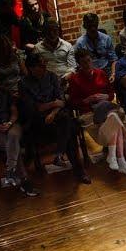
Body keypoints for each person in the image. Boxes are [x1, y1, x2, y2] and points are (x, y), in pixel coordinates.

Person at [19, 52, 91, 184]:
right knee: (70, 126)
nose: (44, 67)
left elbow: (62, 102)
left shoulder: (52, 77)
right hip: (39, 122)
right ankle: (78, 170)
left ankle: (60, 154)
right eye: (40, 66)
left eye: (44, 64)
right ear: (31, 68)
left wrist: (52, 112)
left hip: (56, 116)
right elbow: (34, 109)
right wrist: (53, 104)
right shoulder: (24, 84)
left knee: (66, 123)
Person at [68, 49, 126, 176]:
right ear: (79, 63)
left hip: (106, 107)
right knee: (114, 117)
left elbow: (111, 93)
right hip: (89, 113)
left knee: (113, 115)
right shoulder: (75, 79)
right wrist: (87, 100)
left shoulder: (100, 73)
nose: (87, 64)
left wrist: (105, 97)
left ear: (92, 60)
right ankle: (120, 160)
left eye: (89, 60)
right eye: (83, 62)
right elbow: (73, 102)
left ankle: (115, 158)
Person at [0, 64, 39, 196]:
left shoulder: (4, 91)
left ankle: (14, 172)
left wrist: (9, 122)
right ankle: (24, 180)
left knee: (13, 139)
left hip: (11, 125)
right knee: (12, 145)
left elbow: (14, 112)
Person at [74, 13, 117, 79]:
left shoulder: (106, 39)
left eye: (94, 25)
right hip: (89, 72)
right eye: (89, 26)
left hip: (106, 70)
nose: (92, 28)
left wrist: (113, 74)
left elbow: (113, 60)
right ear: (85, 26)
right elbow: (79, 65)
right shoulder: (80, 43)